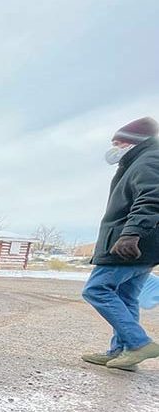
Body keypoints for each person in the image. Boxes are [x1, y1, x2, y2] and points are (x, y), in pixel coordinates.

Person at [81, 117, 159, 370]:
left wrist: (131, 233)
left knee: (96, 289)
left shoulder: (149, 160)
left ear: (134, 141)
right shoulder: (135, 162)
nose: (114, 147)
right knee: (126, 297)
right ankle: (122, 353)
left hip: (130, 246)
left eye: (118, 142)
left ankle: (138, 343)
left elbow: (152, 198)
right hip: (139, 246)